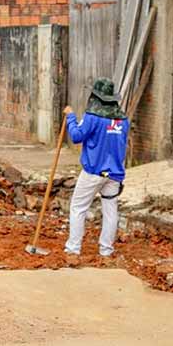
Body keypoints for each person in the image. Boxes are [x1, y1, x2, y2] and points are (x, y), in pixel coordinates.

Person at [63, 78, 129, 260]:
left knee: (78, 208)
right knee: (110, 211)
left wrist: (70, 117)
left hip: (93, 172)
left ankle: (73, 249)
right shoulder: (123, 120)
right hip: (114, 174)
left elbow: (76, 136)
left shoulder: (92, 117)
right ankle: (106, 251)